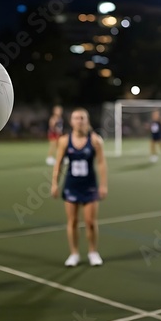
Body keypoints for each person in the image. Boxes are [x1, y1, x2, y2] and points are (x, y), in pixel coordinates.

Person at [51, 108, 108, 267]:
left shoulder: (95, 140)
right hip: (71, 185)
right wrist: (55, 183)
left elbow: (102, 163)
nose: (79, 121)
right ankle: (74, 253)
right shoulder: (64, 141)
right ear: (71, 121)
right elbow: (59, 163)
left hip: (89, 185)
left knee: (90, 221)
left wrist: (103, 185)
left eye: (82, 118)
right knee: (73, 221)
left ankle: (93, 252)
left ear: (87, 120)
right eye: (76, 118)